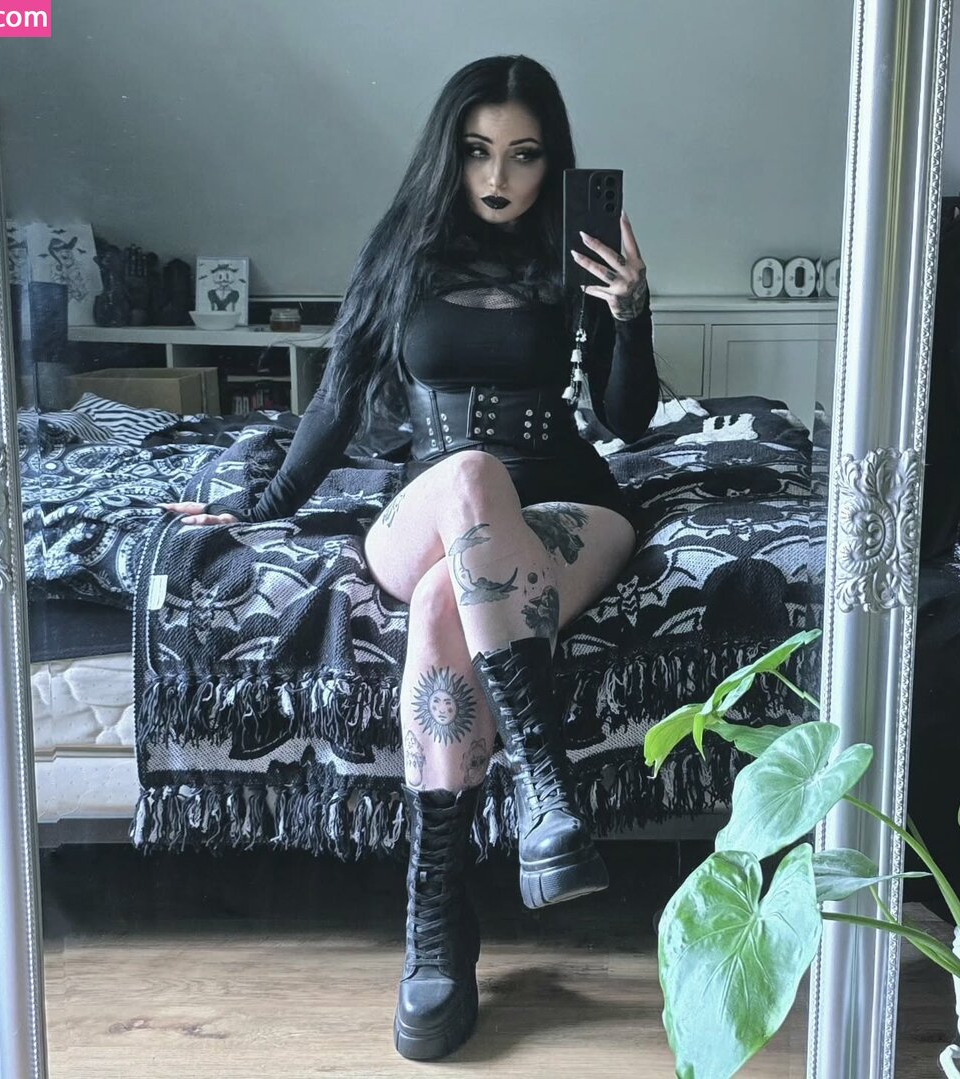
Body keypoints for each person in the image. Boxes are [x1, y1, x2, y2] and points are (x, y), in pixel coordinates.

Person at [160, 55, 660, 1062]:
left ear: (552, 161)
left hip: (563, 505)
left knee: (441, 608)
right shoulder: (402, 250)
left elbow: (626, 420)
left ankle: (436, 920)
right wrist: (262, 505)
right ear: (450, 152)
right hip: (432, 504)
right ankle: (547, 786)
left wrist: (630, 310)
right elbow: (339, 398)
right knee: (470, 474)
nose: (499, 178)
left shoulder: (580, 251)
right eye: (479, 152)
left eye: (524, 155)